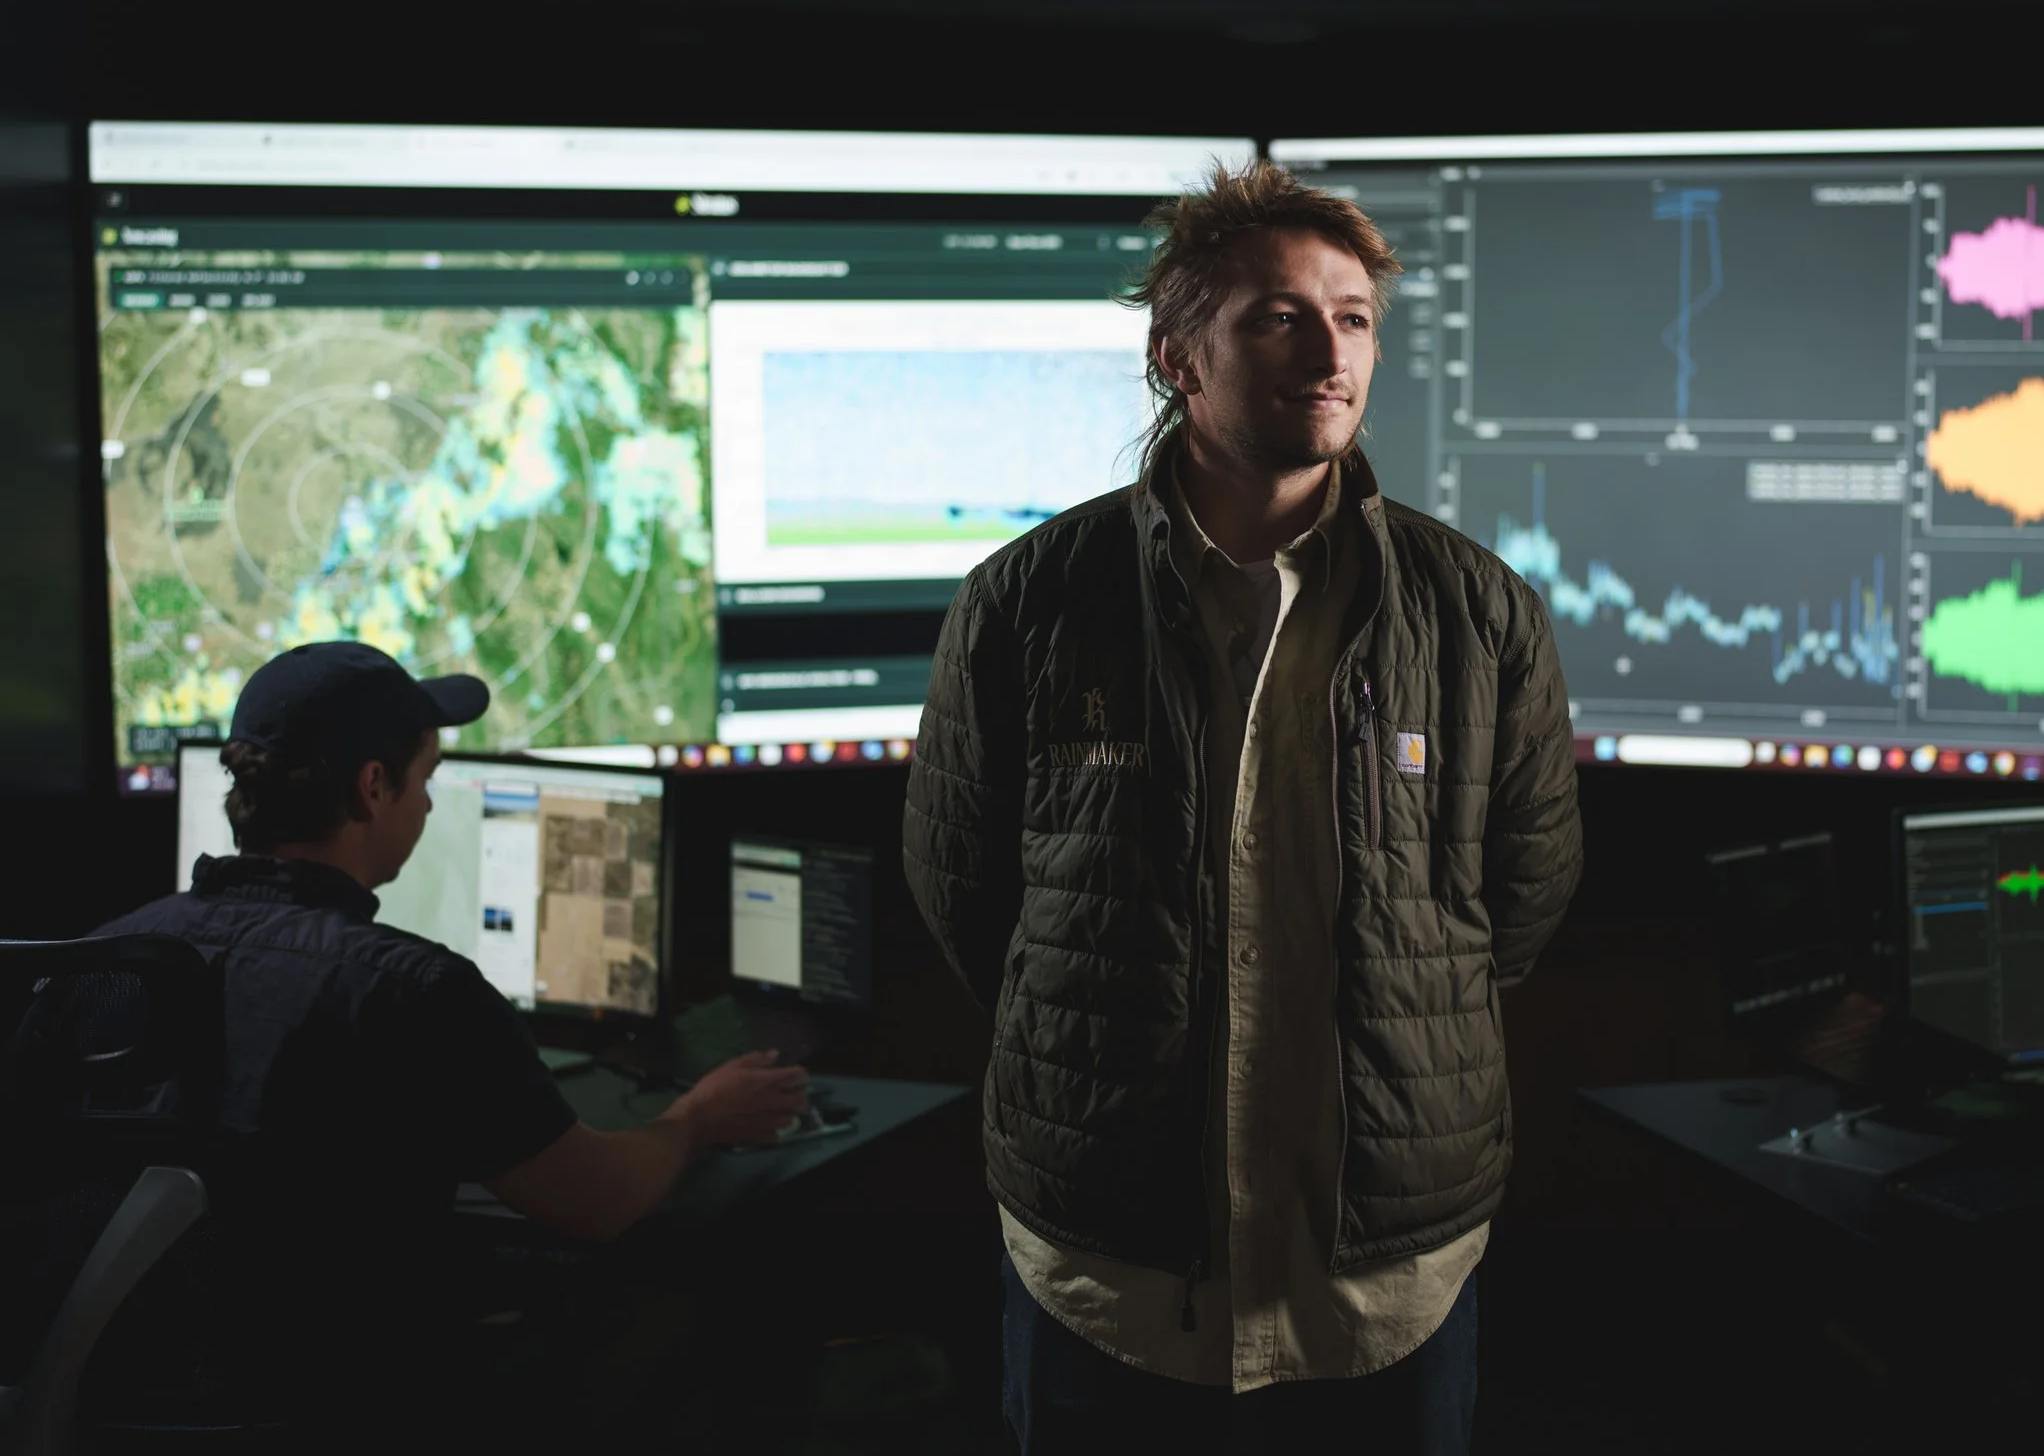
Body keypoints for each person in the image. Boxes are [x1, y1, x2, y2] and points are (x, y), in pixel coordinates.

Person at [903, 160, 1584, 1453]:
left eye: (1356, 316)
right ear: (1178, 355)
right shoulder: (1029, 601)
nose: (1329, 348)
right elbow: (965, 891)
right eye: (1279, 313)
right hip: (1110, 1283)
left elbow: (1524, 897)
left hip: (1380, 1294)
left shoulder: (1481, 611)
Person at [86, 641, 806, 1433]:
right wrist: (696, 1118)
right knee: (679, 1321)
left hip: (125, 1407)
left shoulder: (104, 961)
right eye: (424, 781)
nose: (428, 807)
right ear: (371, 787)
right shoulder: (411, 990)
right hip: (351, 1408)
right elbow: (599, 1203)